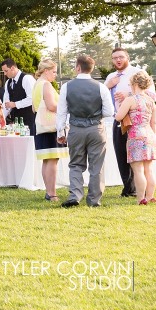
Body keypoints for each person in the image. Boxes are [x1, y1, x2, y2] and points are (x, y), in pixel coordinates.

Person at [57, 54, 114, 208]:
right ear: (92, 68)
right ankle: (94, 200)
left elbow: (61, 112)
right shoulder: (101, 87)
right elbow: (109, 112)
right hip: (96, 129)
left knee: (75, 164)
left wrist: (60, 132)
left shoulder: (66, 86)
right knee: (96, 166)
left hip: (76, 129)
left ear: (77, 68)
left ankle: (75, 196)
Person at [104, 47, 156, 198]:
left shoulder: (139, 73)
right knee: (122, 155)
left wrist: (130, 94)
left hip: (137, 122)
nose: (118, 60)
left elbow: (152, 95)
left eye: (121, 57)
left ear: (128, 57)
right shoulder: (111, 77)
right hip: (118, 119)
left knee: (139, 157)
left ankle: (140, 190)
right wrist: (108, 86)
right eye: (115, 58)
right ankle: (129, 189)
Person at [113, 71, 156, 205]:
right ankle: (150, 196)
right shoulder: (151, 101)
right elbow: (153, 123)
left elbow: (118, 117)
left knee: (138, 170)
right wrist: (152, 136)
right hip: (149, 135)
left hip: (135, 135)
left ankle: (140, 198)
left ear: (134, 84)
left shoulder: (130, 99)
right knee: (149, 170)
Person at [32, 59, 66, 201]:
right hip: (50, 127)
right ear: (46, 71)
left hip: (40, 127)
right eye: (53, 71)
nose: (55, 75)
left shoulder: (36, 85)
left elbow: (34, 108)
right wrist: (65, 108)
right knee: (52, 160)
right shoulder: (46, 85)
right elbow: (52, 106)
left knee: (47, 160)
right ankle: (52, 193)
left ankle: (49, 191)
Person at [1, 58, 36, 133]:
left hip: (30, 121)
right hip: (16, 123)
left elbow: (32, 99)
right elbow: (6, 104)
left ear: (12, 68)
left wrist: (15, 104)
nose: (4, 74)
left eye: (6, 71)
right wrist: (2, 118)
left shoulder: (27, 78)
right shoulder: (8, 82)